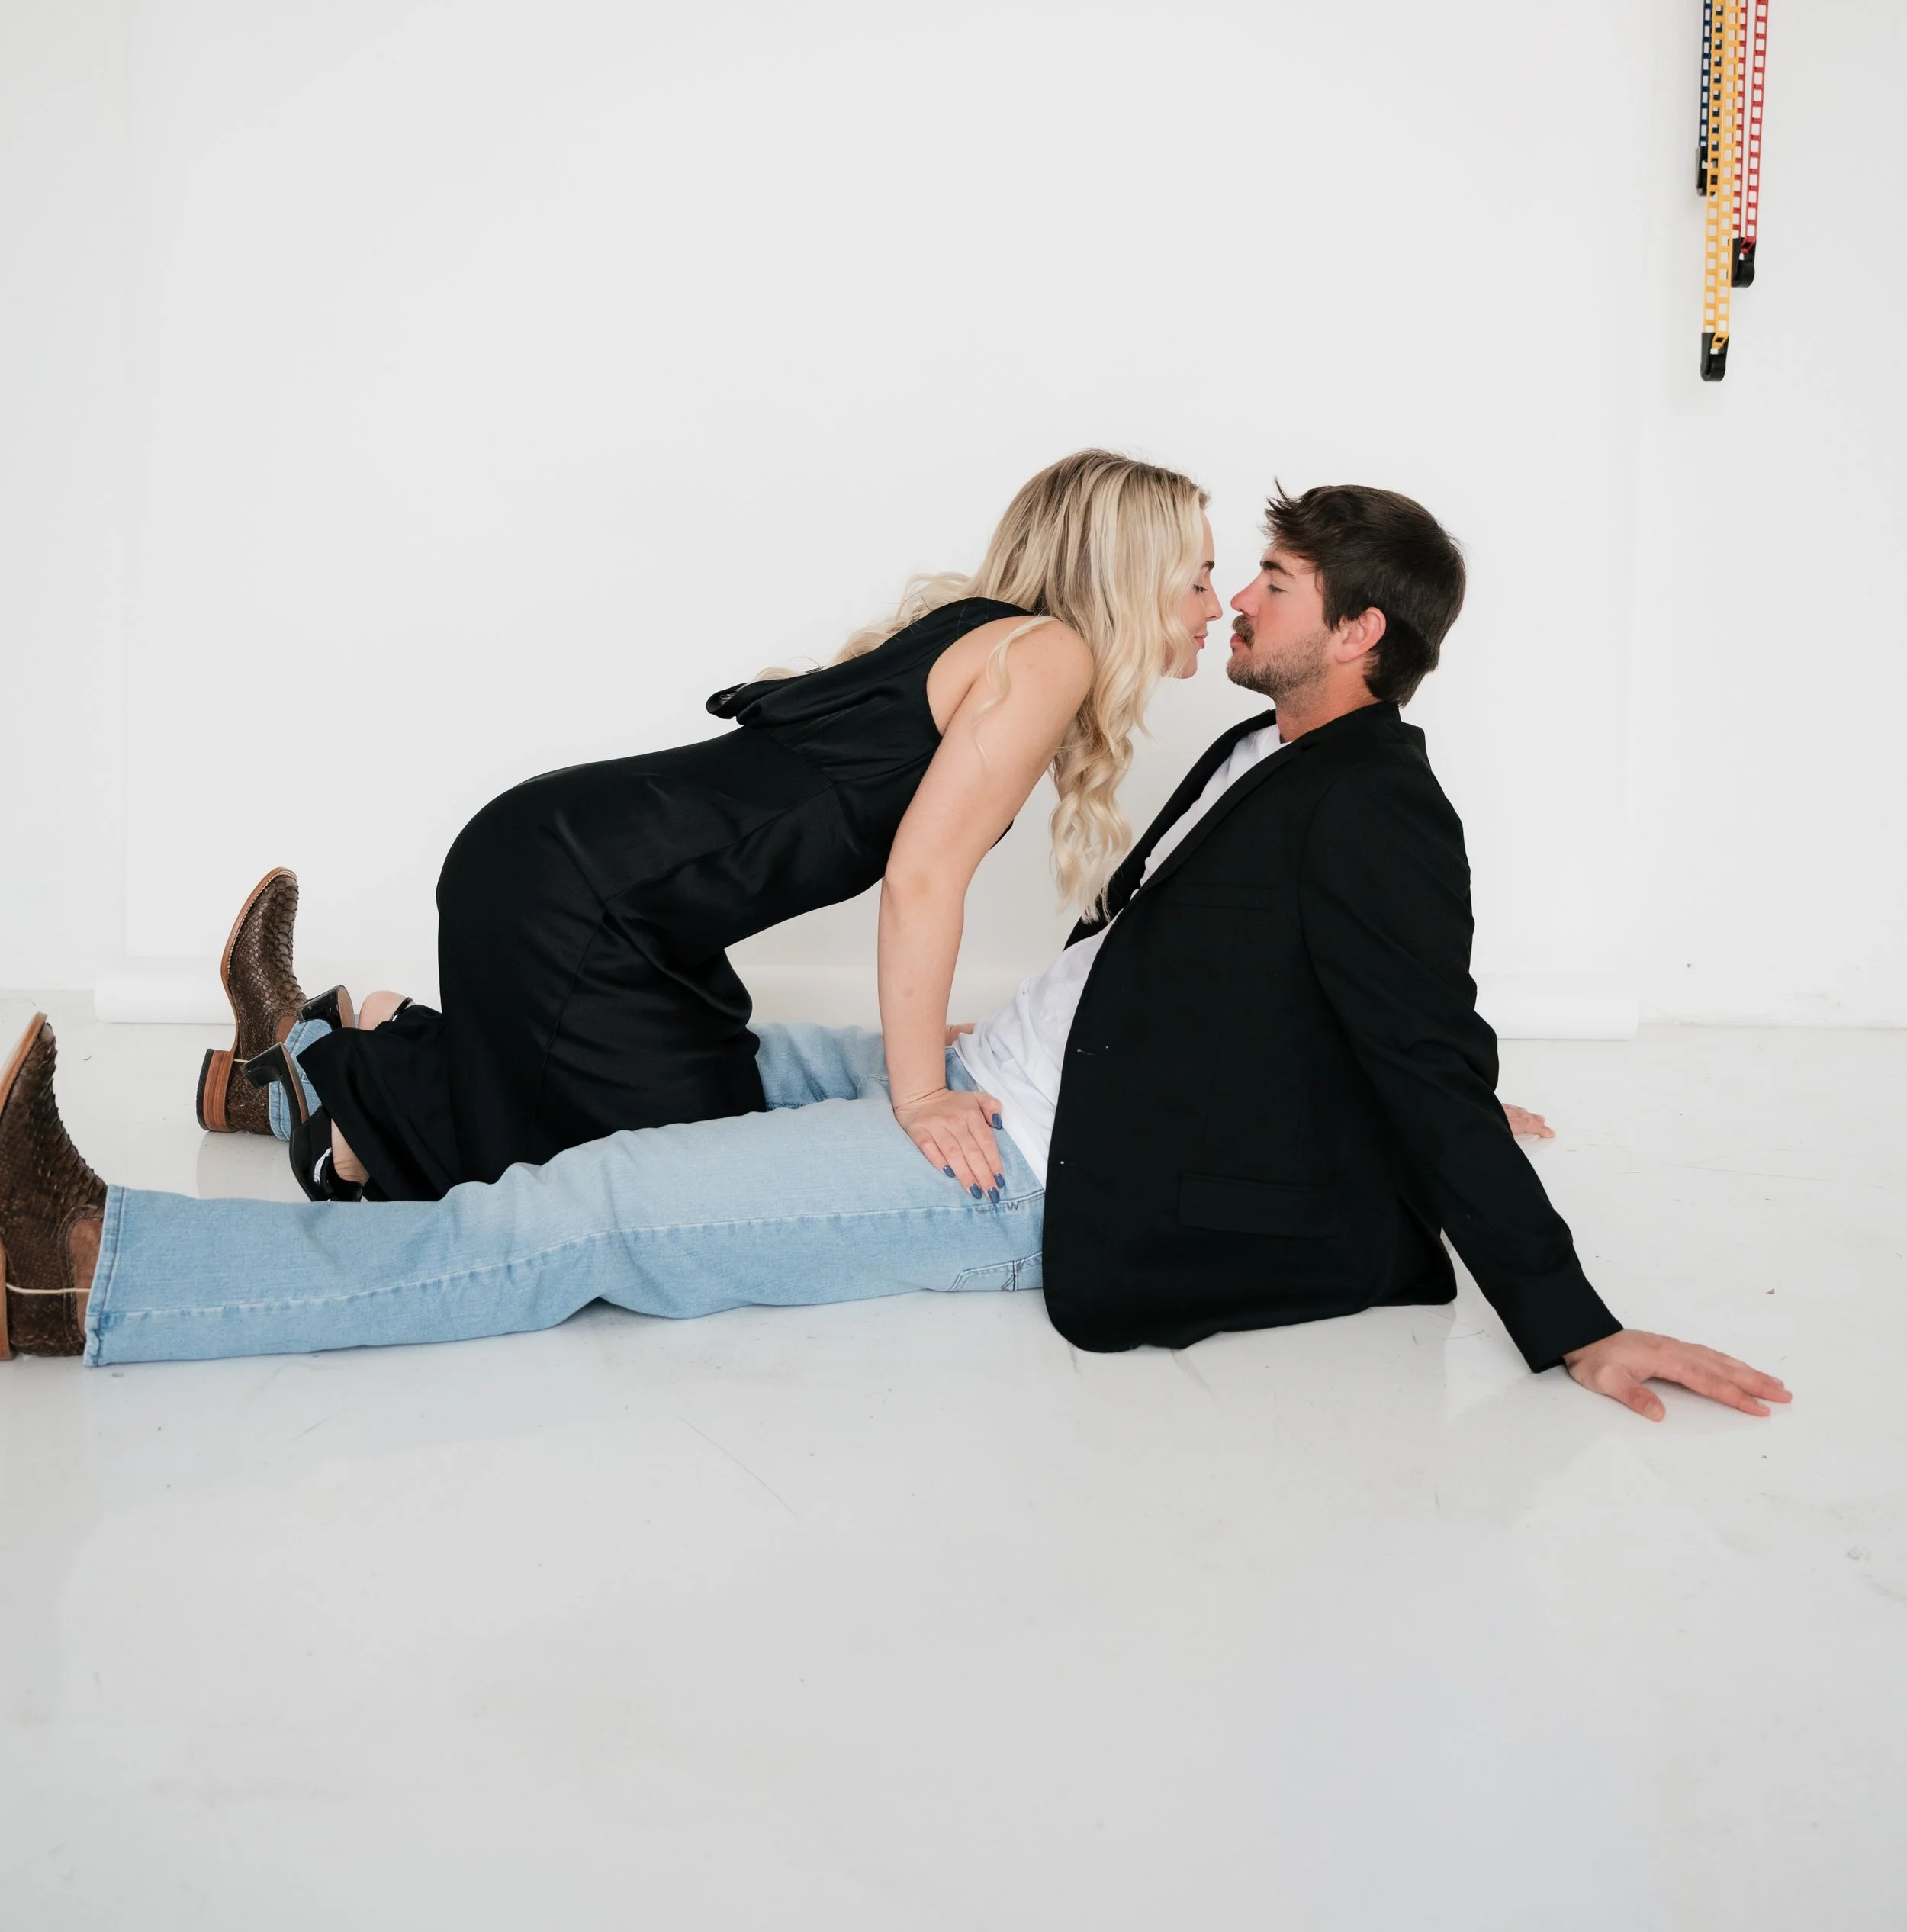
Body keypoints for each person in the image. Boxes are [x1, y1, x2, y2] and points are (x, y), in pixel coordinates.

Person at [0, 483, 1789, 1429]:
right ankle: (309, 1082)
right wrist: (1439, 1085)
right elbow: (1362, 1018)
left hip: (1015, 1162)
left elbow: (1409, 1028)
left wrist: (1567, 1325)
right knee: (639, 1070)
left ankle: (93, 1277)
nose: (1234, 603)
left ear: (1361, 632)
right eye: (1236, 574)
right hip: (994, 1068)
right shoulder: (1268, 750)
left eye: (1271, 585)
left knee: (598, 1206)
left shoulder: (1378, 801)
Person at [192, 447, 1217, 1203]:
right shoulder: (1046, 655)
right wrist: (920, 1093)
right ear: (1129, 576)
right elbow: (922, 880)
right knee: (631, 1169)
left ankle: (338, 1041)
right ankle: (350, 1086)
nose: (1217, 604)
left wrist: (931, 1038)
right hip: (568, 894)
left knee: (705, 1111)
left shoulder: (997, 634)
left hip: (602, 900)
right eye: (1200, 575)